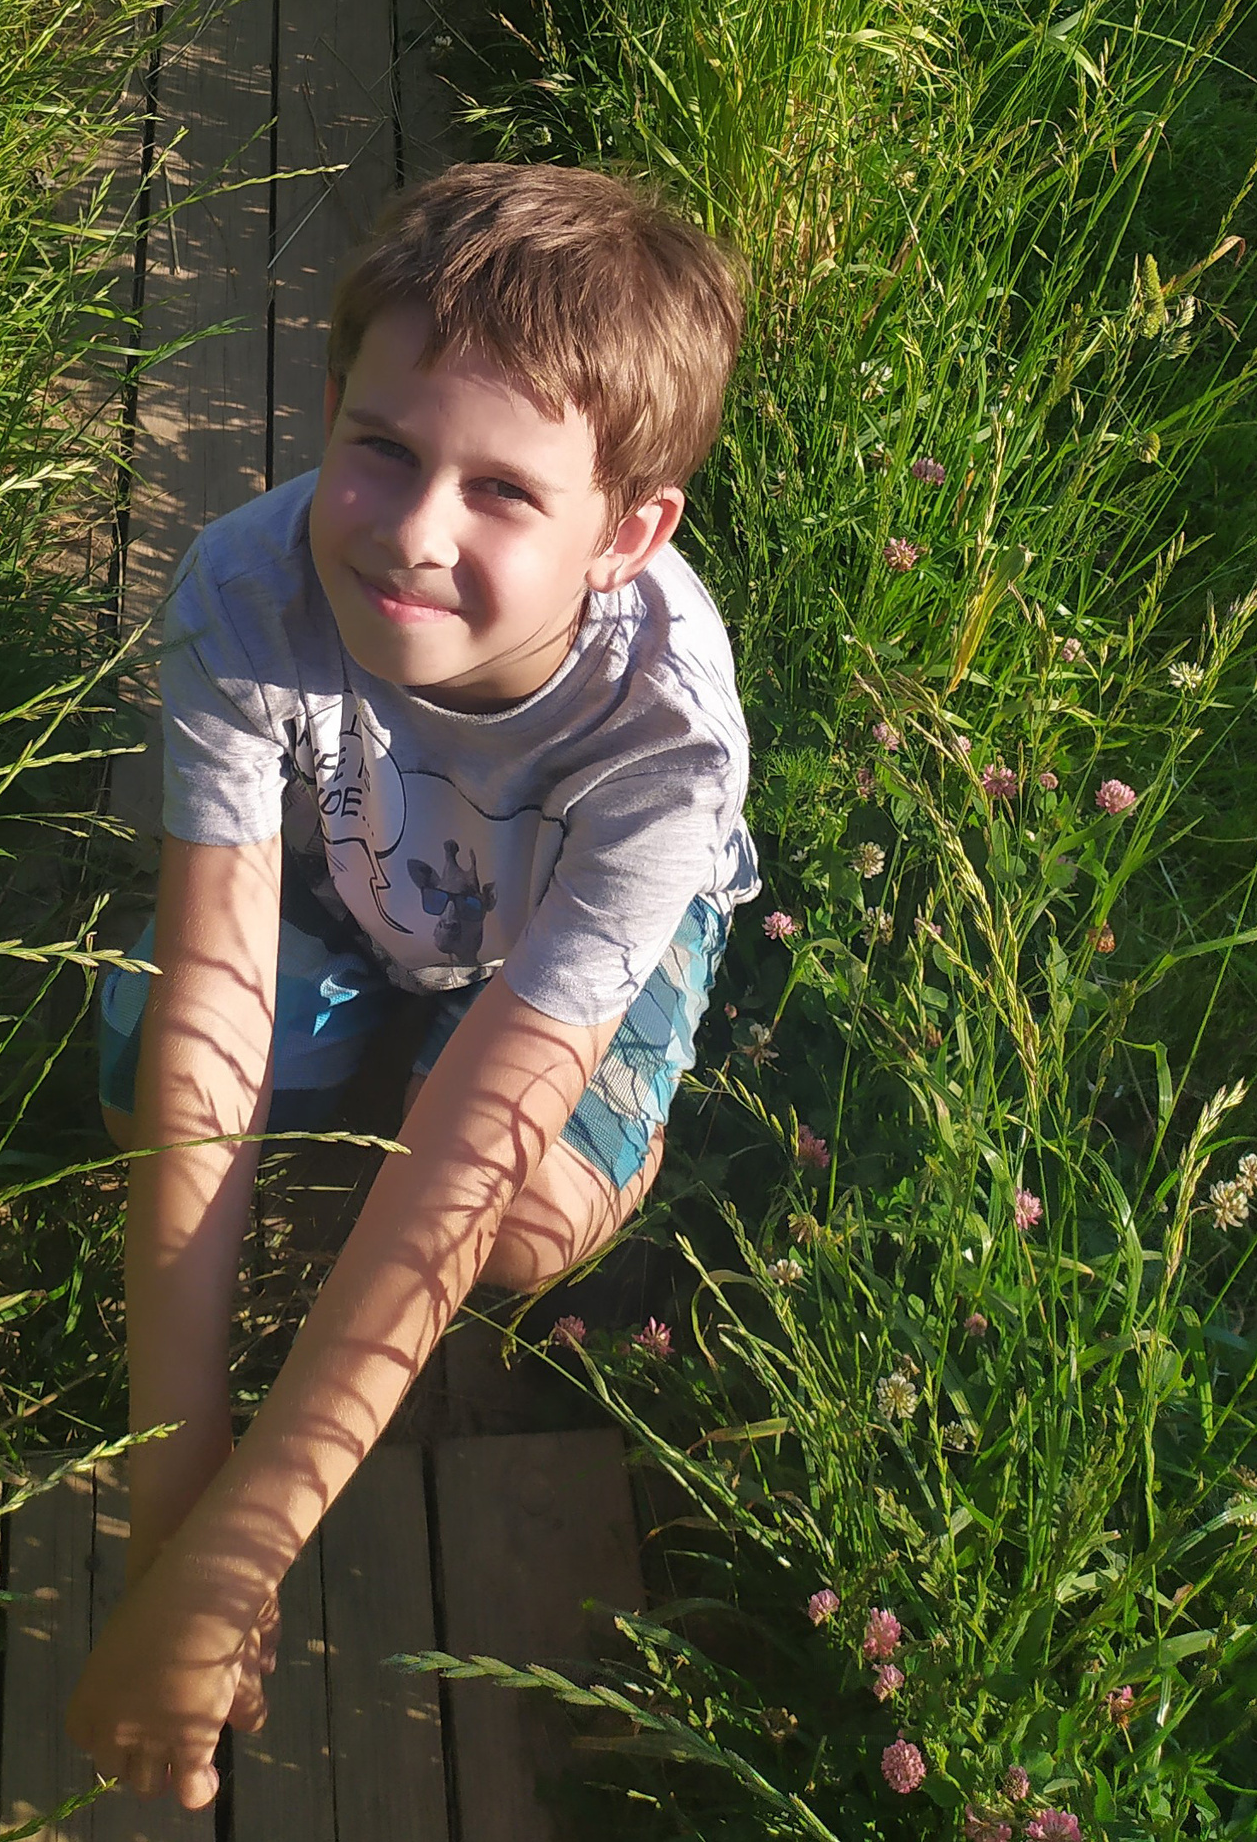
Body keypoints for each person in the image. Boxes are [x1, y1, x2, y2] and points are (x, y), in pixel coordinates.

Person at [67, 160, 758, 1811]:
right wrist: (177, 1506)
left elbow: (469, 1151)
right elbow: (213, 1015)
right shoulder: (245, 585)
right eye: (380, 448)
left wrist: (245, 1553)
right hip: (350, 869)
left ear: (628, 527)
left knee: (514, 1217)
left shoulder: (665, 737)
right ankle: (396, 1018)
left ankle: (571, 1081)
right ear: (327, 407)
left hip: (560, 941)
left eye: (506, 492)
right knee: (144, 1061)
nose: (415, 531)